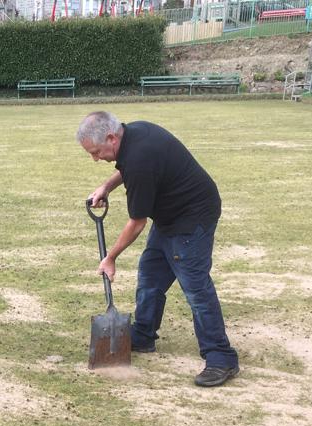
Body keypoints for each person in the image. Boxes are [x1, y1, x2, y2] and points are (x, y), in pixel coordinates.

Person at [77, 111, 239, 387]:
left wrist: (111, 258)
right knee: (151, 277)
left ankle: (221, 357)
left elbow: (137, 223)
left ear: (111, 137)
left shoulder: (140, 158)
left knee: (196, 289)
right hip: (169, 216)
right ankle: (143, 335)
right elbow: (126, 169)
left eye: (96, 152)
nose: (95, 159)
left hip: (191, 219)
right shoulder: (135, 134)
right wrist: (106, 186)